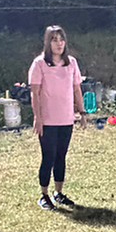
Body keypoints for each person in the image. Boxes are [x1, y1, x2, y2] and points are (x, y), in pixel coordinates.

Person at [28, 25, 84, 210]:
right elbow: (35, 93)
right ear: (47, 43)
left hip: (66, 118)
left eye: (61, 39)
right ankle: (44, 194)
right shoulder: (39, 63)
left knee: (61, 156)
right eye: (54, 40)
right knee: (48, 156)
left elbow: (76, 88)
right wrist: (38, 117)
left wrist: (82, 112)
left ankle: (58, 192)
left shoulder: (71, 63)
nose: (59, 44)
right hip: (48, 120)